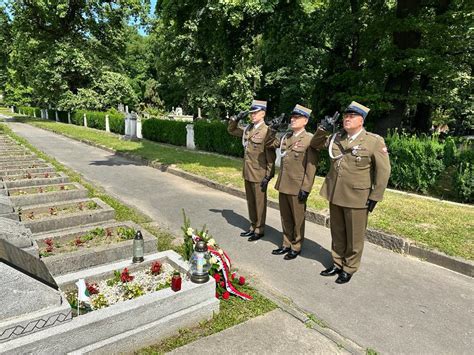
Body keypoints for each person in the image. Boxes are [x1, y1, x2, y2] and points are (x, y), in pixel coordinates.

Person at [311, 101, 391, 283]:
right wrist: (322, 129)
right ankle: (337, 263)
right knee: (337, 231)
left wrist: (375, 196)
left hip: (358, 196)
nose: (347, 119)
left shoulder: (373, 141)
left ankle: (349, 267)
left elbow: (383, 171)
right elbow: (314, 144)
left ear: (361, 120)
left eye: (351, 116)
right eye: (346, 116)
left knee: (354, 235)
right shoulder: (336, 137)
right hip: (335, 192)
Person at [267, 104, 318, 260]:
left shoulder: (309, 139)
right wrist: (272, 130)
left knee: (297, 218)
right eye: (292, 117)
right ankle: (286, 243)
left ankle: (296, 246)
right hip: (284, 183)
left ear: (305, 121)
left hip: (298, 186)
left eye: (297, 117)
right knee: (285, 216)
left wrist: (306, 187)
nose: (293, 120)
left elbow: (311, 165)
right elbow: (269, 143)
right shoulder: (286, 137)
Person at [227, 100, 276, 241]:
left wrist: (268, 175)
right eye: (251, 113)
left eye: (255, 113)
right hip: (248, 171)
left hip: (259, 173)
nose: (252, 115)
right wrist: (235, 119)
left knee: (259, 203)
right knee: (251, 201)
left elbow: (270, 156)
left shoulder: (267, 131)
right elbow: (231, 130)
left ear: (263, 114)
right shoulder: (249, 129)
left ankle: (259, 229)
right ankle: (253, 225)